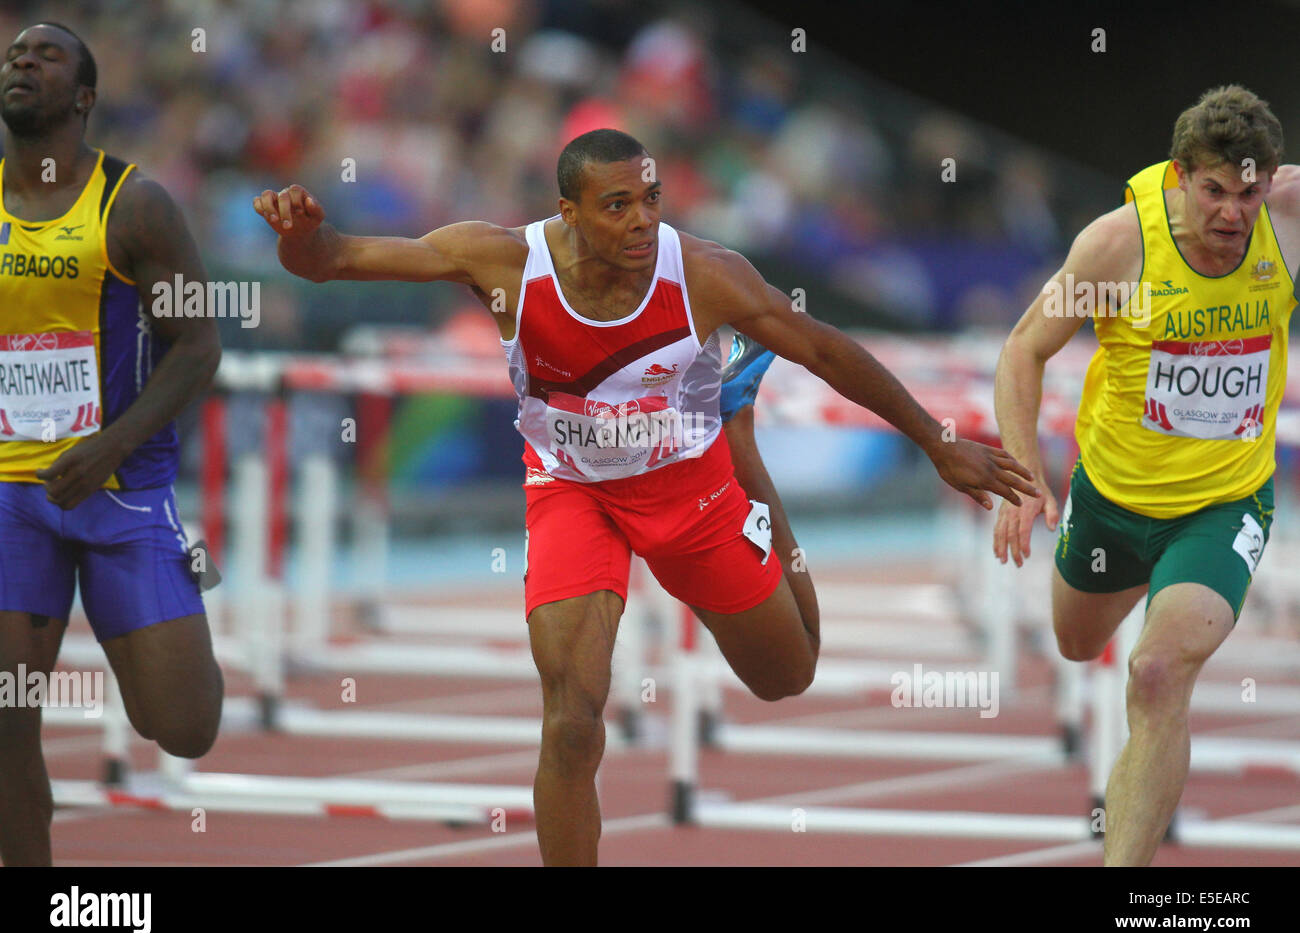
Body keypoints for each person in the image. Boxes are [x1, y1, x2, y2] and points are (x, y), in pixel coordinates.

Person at [257, 127, 1037, 866]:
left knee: (786, 675)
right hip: (571, 492)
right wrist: (300, 237)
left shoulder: (702, 273)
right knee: (571, 717)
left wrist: (938, 443)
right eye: (618, 205)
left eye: (652, 199)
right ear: (568, 213)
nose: (642, 221)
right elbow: (335, 259)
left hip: (691, 490)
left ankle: (741, 441)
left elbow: (826, 348)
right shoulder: (498, 260)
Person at [993, 85, 1299, 866]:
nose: (1233, 214)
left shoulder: (1289, 227)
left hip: (1222, 505)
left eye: (1250, 191)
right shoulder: (1119, 248)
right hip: (1112, 500)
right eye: (1214, 192)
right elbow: (1025, 349)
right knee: (1073, 641)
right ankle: (1141, 577)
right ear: (1179, 177)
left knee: (1157, 674)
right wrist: (1026, 478)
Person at [0, 22, 224, 866]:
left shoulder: (133, 205)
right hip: (10, 502)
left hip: (120, 489)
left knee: (183, 727)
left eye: (46, 54)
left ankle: (190, 570)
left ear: (85, 98)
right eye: (15, 52)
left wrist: (107, 447)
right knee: (6, 718)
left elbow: (197, 347)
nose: (22, 60)